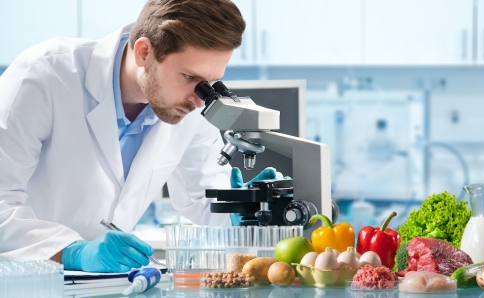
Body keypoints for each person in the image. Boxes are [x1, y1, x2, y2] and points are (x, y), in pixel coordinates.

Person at [0, 0, 280, 272]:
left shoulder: (190, 103)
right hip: (28, 278)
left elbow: (201, 194)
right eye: (188, 76)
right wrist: (72, 251)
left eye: (209, 83)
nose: (199, 100)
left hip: (108, 283)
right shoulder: (43, 77)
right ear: (144, 52)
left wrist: (242, 208)